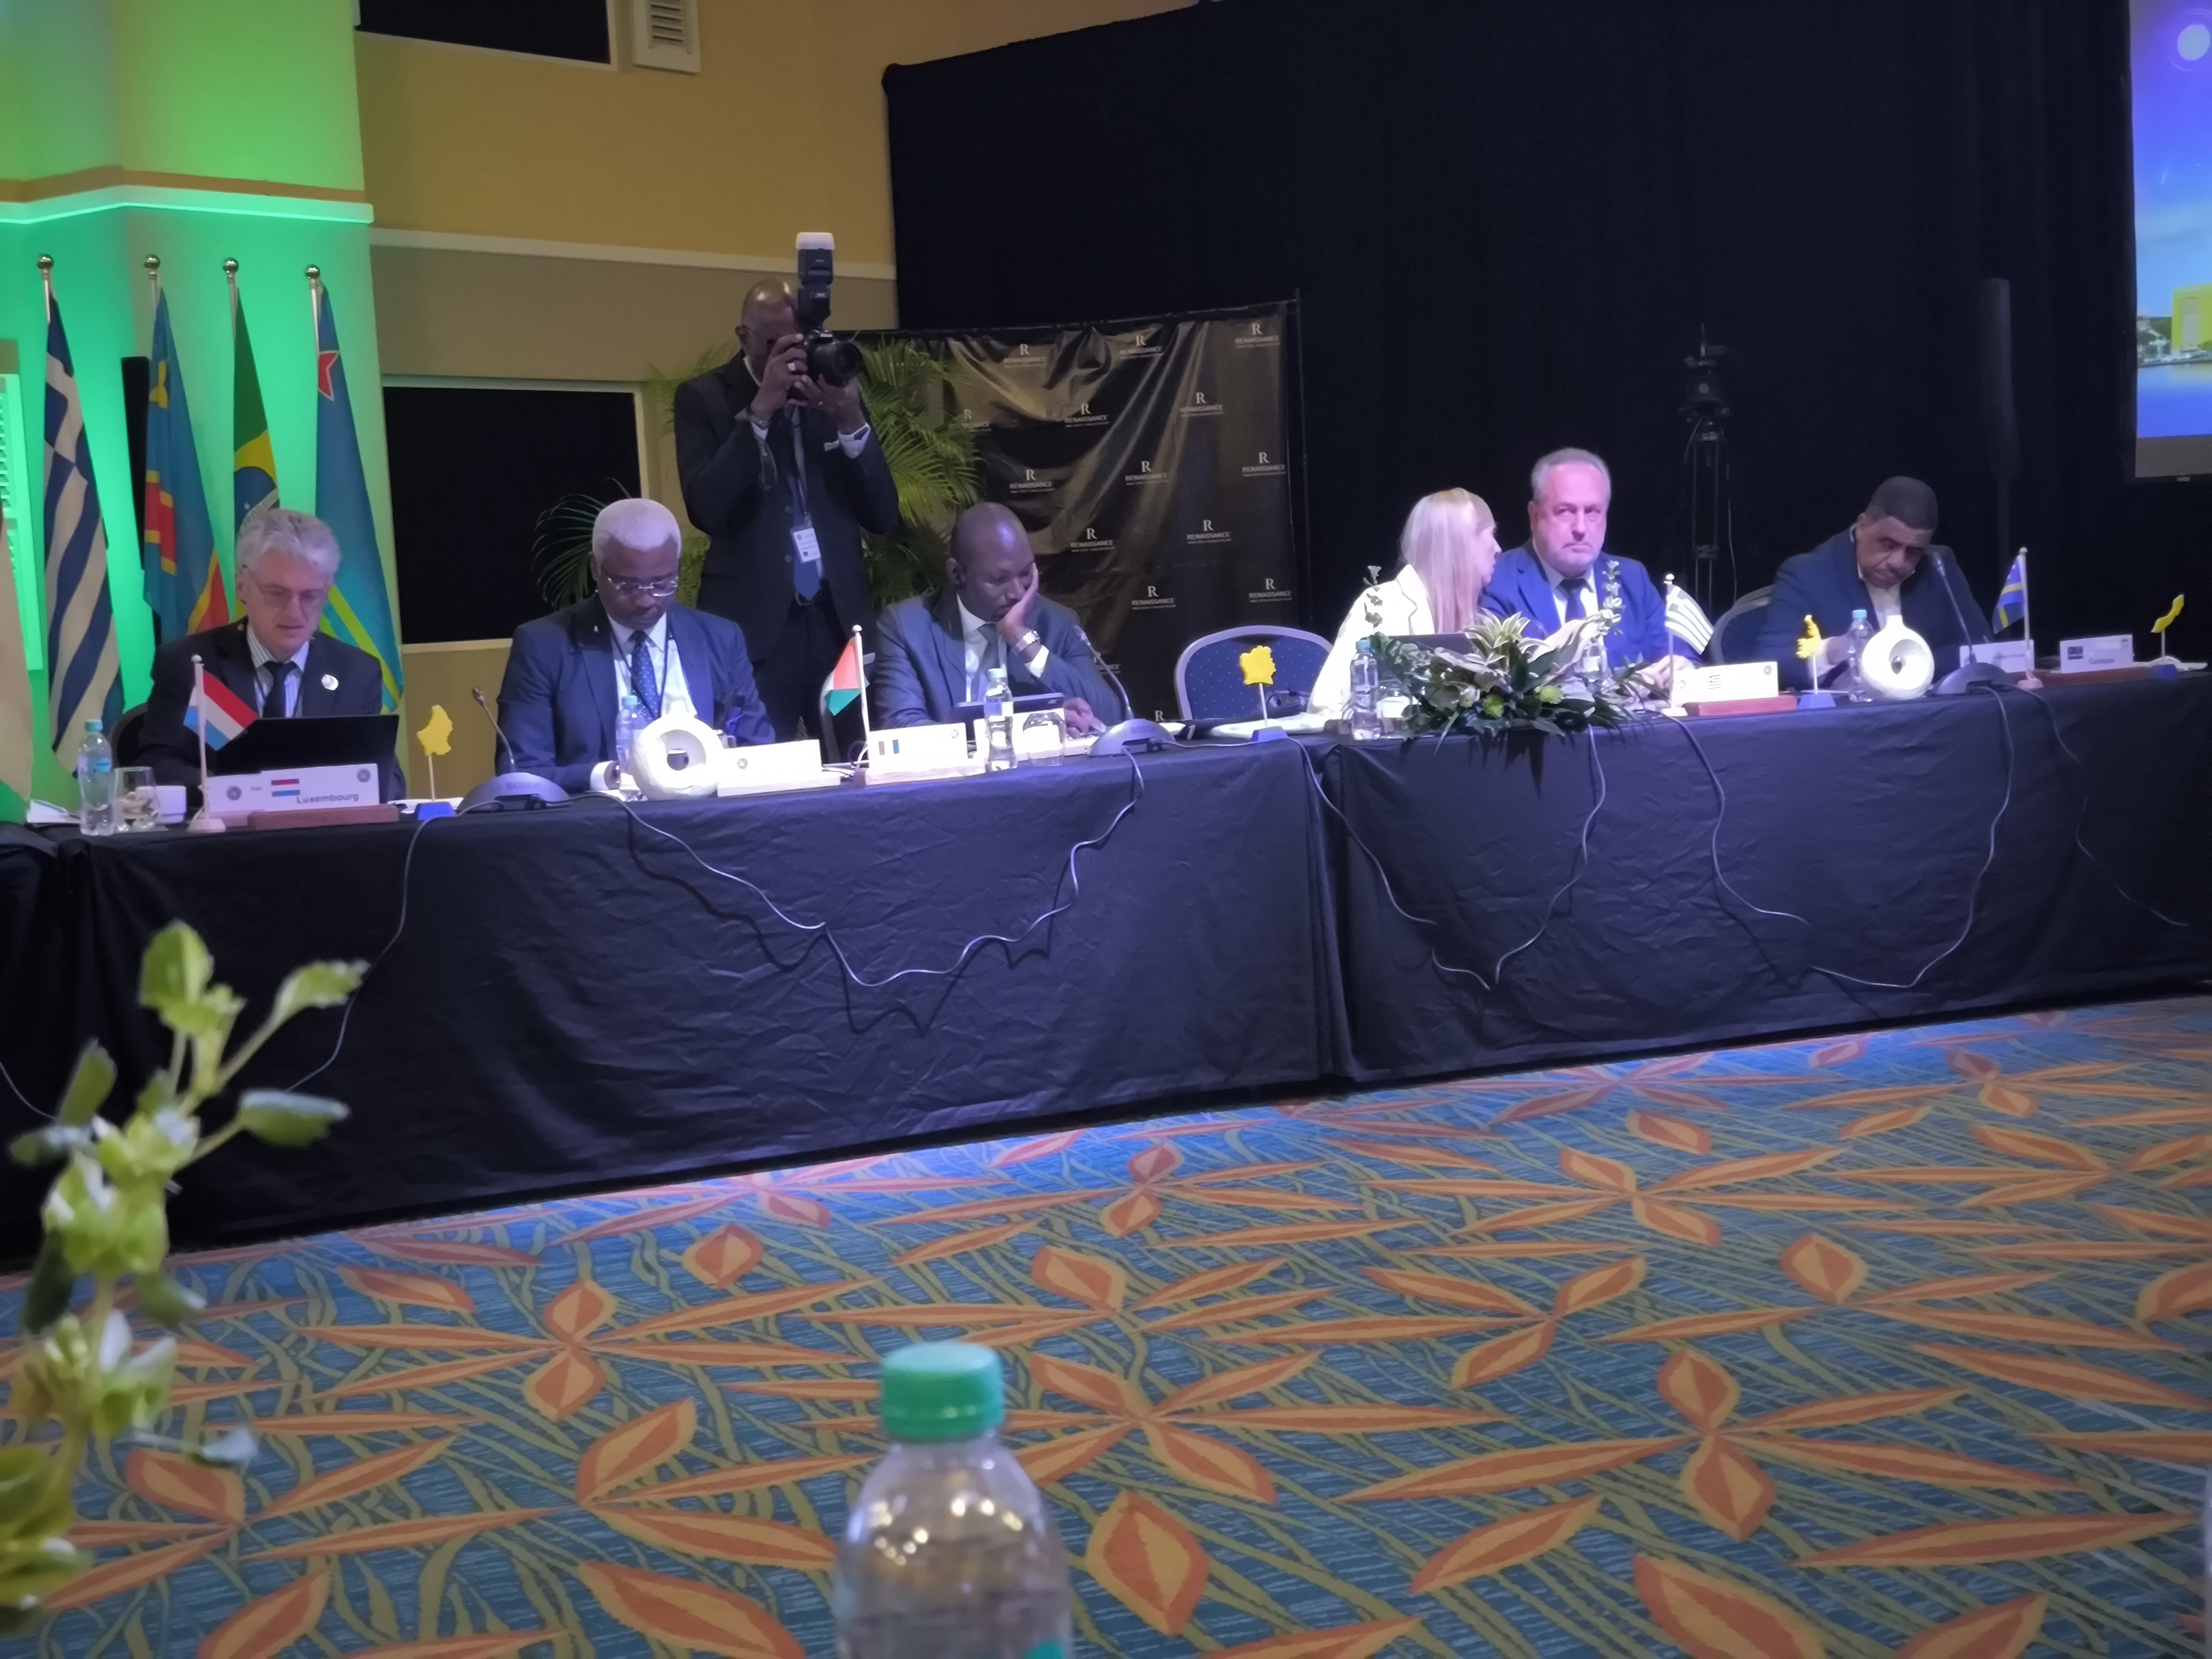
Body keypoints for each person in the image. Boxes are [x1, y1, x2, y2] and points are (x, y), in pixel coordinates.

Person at [674, 278, 901, 744]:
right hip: (757, 637)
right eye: (778, 345)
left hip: (836, 630)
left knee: (852, 755)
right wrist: (759, 413)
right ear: (744, 338)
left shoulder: (831, 390)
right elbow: (706, 508)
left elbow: (881, 514)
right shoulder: (705, 398)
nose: (795, 358)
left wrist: (851, 422)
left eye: (802, 341)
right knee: (757, 760)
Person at [497, 498, 775, 792]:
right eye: (628, 586)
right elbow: (522, 773)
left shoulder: (720, 638)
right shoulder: (544, 646)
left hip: (707, 811)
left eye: (662, 585)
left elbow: (758, 750)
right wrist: (604, 776)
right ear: (596, 568)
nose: (645, 600)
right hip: (600, 815)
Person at [138, 507, 399, 796]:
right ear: (242, 587)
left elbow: (387, 779)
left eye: (310, 596)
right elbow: (158, 765)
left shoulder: (355, 673)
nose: (294, 612)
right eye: (277, 593)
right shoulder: (190, 666)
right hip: (225, 823)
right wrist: (236, 792)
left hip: (322, 824)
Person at [871, 503, 1123, 732]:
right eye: (999, 579)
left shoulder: (1058, 623)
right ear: (958, 574)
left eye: (1025, 573)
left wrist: (1026, 644)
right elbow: (902, 727)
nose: (1018, 593)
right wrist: (1027, 730)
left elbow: (1111, 718)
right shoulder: (906, 627)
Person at [1480, 447, 1701, 681]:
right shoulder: (1497, 580)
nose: (1581, 528)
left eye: (1593, 512)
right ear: (1535, 517)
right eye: (1565, 511)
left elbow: (1680, 660)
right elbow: (1492, 684)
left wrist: (1682, 671)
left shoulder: (1633, 579)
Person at [1753, 476, 1988, 689]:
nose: (1898, 562)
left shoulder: (1939, 566)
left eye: (1914, 552)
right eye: (1888, 545)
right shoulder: (1807, 574)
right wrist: (1829, 652)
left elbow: (1982, 649)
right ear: (1862, 527)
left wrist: (1914, 662)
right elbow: (1771, 664)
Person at [1309, 488, 1499, 716]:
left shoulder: (1479, 621)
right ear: (1461, 543)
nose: (1498, 549)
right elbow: (1325, 707)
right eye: (1491, 534)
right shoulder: (1381, 605)